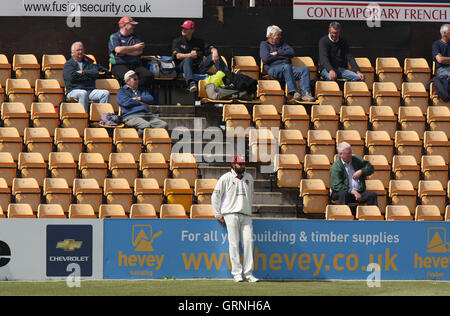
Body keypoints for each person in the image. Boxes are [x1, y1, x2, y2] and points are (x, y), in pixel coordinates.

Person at [211, 155, 258, 283]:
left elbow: (251, 195)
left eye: (243, 164)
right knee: (234, 244)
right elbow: (215, 196)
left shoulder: (249, 178)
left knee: (248, 242)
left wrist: (248, 211)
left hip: (246, 215)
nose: (242, 166)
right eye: (239, 164)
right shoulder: (225, 178)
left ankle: (248, 274)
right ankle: (237, 274)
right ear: (233, 165)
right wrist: (218, 215)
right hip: (230, 214)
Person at [260, 25, 314, 102]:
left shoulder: (283, 44)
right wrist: (283, 56)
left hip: (288, 69)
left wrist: (277, 53)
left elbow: (292, 53)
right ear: (270, 35)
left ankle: (306, 94)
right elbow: (266, 58)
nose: (280, 37)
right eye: (278, 35)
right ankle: (294, 93)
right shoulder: (264, 44)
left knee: (304, 69)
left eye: (280, 35)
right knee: (286, 66)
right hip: (273, 69)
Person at [172, 20, 228, 93]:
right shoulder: (177, 41)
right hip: (182, 69)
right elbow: (177, 56)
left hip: (198, 68)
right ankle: (191, 83)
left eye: (186, 28)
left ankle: (227, 78)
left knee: (215, 55)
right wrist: (189, 55)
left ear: (192, 30)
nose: (183, 30)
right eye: (182, 28)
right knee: (188, 59)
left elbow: (209, 48)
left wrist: (214, 51)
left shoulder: (198, 42)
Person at [116, 70, 167, 137]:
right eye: (134, 79)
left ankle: (153, 143)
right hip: (131, 116)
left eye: (137, 79)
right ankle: (139, 141)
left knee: (164, 125)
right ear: (127, 81)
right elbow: (126, 103)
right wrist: (142, 103)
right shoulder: (122, 91)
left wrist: (138, 98)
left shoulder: (142, 90)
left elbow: (150, 99)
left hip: (147, 115)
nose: (137, 81)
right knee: (145, 125)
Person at [63, 41, 110, 113]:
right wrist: (88, 76)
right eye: (78, 50)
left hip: (90, 90)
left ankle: (103, 118)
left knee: (105, 93)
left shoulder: (88, 63)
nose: (80, 52)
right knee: (83, 93)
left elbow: (95, 73)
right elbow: (71, 78)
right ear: (73, 53)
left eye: (82, 50)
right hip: (73, 90)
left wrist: (83, 72)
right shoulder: (68, 65)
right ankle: (83, 118)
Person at [108, 16, 154, 89]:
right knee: (129, 77)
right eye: (132, 24)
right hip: (119, 65)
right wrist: (134, 48)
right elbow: (118, 50)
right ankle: (129, 95)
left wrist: (124, 52)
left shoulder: (136, 37)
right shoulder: (115, 36)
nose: (134, 26)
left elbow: (139, 51)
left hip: (135, 65)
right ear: (124, 25)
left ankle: (136, 92)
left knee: (148, 75)